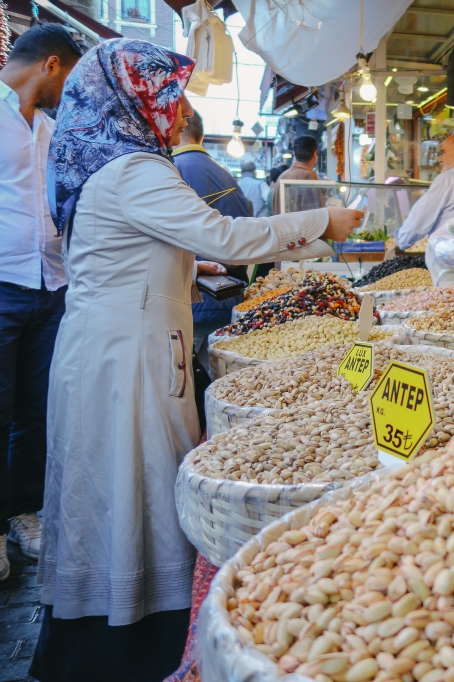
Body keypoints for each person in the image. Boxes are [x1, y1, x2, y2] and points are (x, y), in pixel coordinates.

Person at [33, 39, 363, 681]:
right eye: (167, 90)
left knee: (110, 489)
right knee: (133, 489)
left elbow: (143, 249)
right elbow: (228, 235)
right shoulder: (135, 170)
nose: (177, 104)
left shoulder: (106, 161)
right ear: (133, 94)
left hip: (105, 347)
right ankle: (130, 647)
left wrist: (189, 264)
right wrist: (326, 221)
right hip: (126, 359)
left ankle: (104, 640)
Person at [0, 23, 84, 580]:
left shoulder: (53, 131)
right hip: (2, 286)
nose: (72, 93)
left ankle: (21, 513)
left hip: (50, 287)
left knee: (36, 411)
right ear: (50, 65)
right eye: (70, 79)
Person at [171, 109, 251, 372]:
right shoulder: (227, 175)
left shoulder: (173, 172)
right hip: (229, 296)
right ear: (201, 135)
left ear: (180, 129)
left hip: (193, 300)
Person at [272, 135, 325, 214]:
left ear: (294, 154)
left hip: (282, 226)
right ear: (315, 154)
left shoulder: (282, 176)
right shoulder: (308, 175)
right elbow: (314, 214)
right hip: (300, 226)